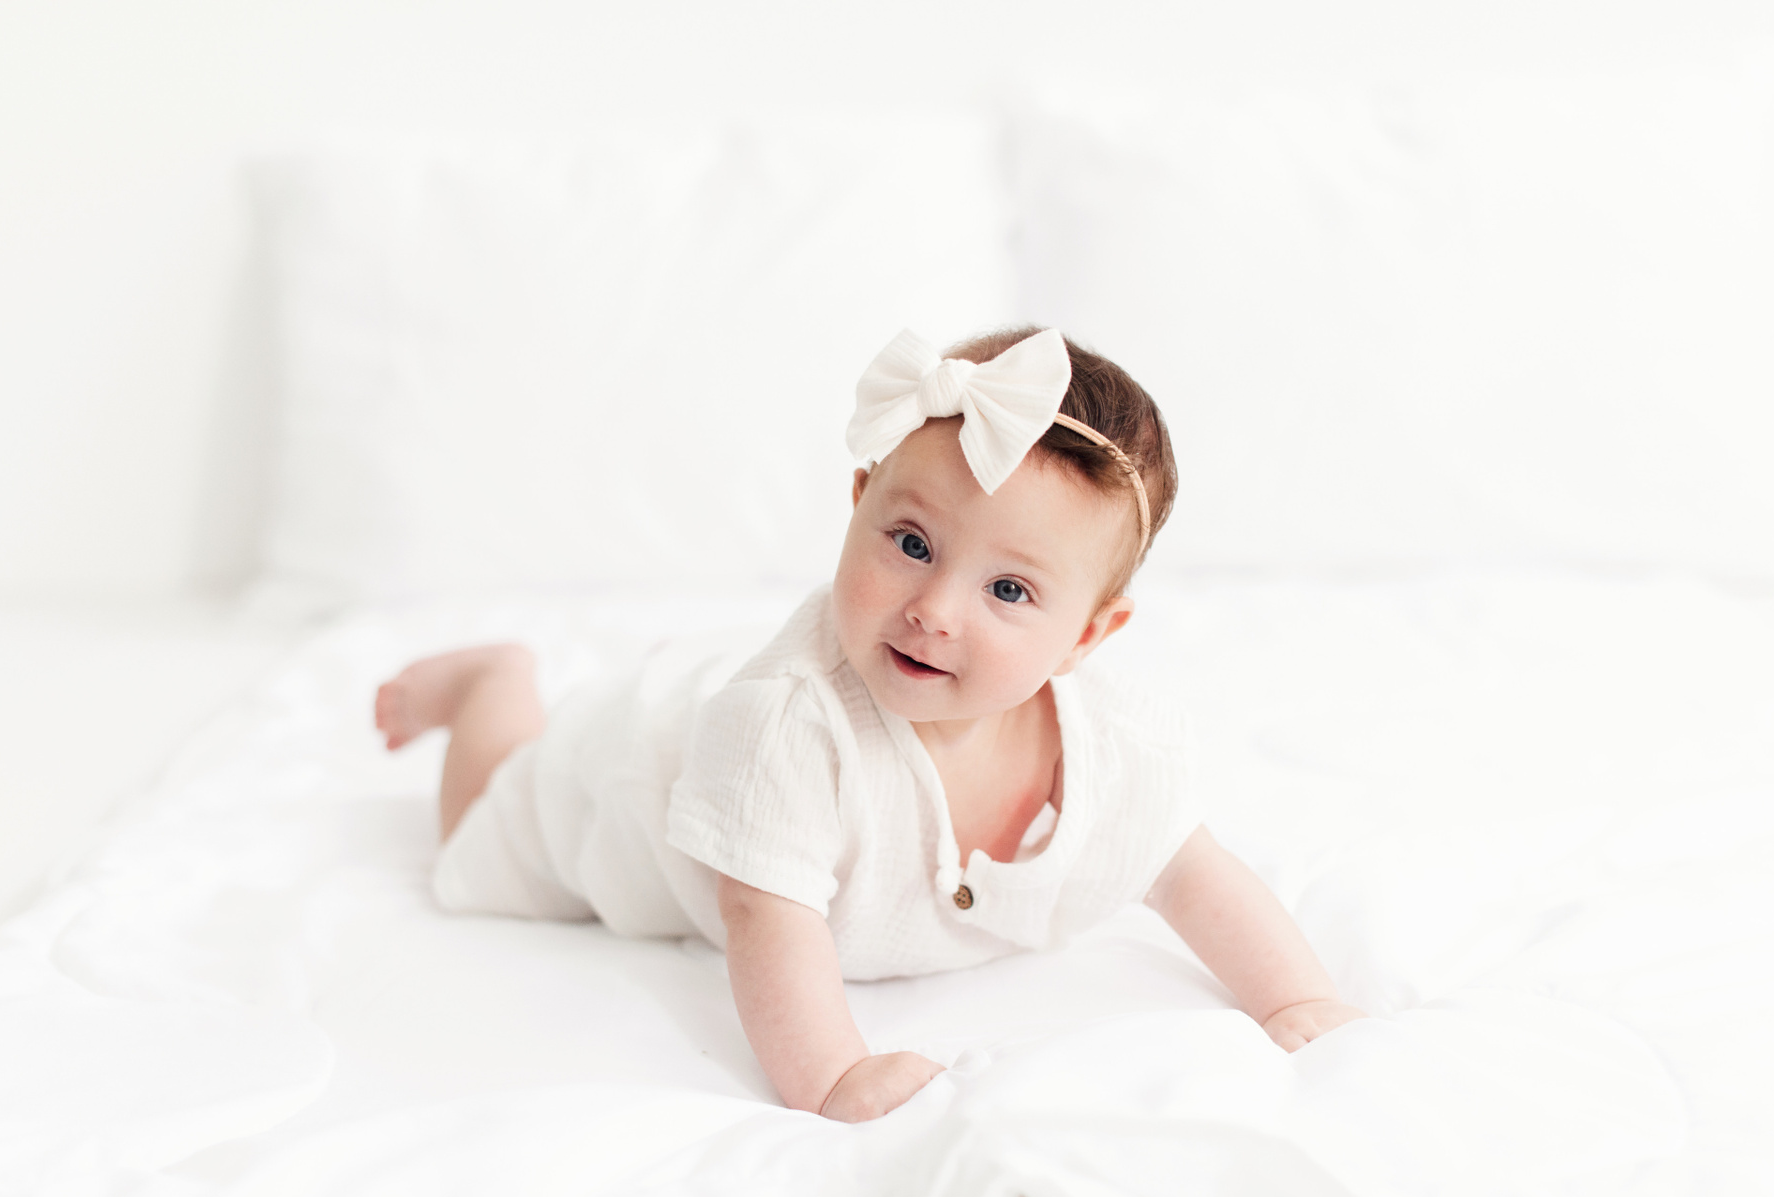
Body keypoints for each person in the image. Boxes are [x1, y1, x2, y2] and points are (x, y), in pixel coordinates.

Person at [375, 326, 1365, 1123]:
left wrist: (1296, 999)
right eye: (911, 543)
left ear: (1088, 636)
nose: (934, 610)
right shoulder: (784, 733)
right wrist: (834, 1074)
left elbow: (1192, 871)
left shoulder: (1116, 750)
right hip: (627, 781)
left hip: (732, 701)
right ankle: (492, 685)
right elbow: (764, 918)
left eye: (1009, 589)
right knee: (480, 829)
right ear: (859, 502)